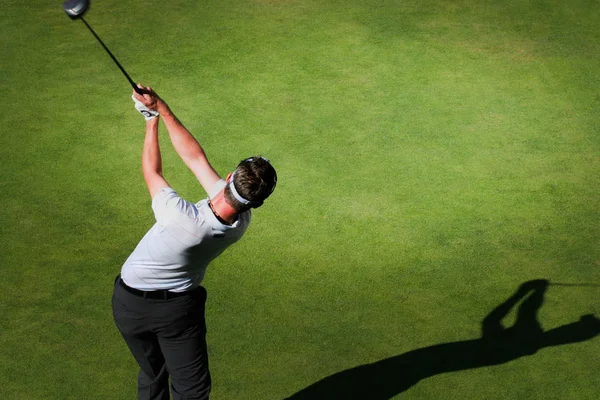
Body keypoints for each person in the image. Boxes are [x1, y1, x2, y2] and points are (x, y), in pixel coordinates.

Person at [112, 84, 277, 400]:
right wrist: (161, 109)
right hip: (177, 312)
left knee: (152, 375)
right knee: (192, 389)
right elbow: (194, 157)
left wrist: (152, 119)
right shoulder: (241, 221)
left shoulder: (180, 217)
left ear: (229, 177)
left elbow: (153, 171)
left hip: (128, 305)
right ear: (256, 202)